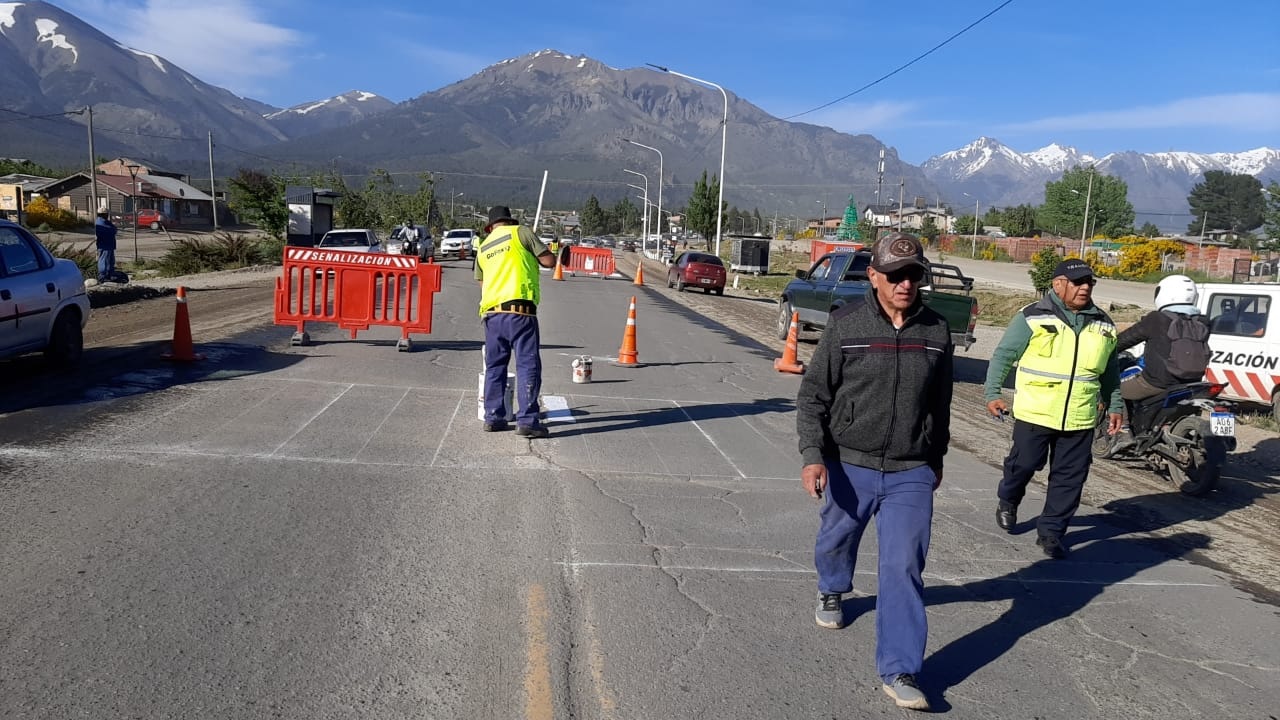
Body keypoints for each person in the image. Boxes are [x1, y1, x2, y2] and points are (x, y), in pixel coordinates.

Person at [796, 231, 954, 711]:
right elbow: (813, 397)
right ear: (874, 276)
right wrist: (812, 455)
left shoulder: (936, 331)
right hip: (849, 463)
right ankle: (832, 588)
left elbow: (940, 403)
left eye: (914, 275)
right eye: (895, 275)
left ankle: (900, 666)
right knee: (837, 538)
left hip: (911, 470)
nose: (906, 283)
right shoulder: (846, 326)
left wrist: (936, 457)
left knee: (903, 566)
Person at [984, 258, 1123, 560]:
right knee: (1024, 464)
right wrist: (992, 393)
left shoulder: (1103, 323)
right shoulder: (1032, 316)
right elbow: (1004, 355)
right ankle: (1009, 499)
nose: (1085, 287)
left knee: (1070, 478)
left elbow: (1110, 371)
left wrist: (1115, 404)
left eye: (1090, 283)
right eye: (1078, 282)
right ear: (1059, 284)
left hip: (1080, 416)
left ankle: (1052, 533)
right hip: (1035, 412)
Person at [474, 206, 556, 437]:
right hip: (521, 313)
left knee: (495, 367)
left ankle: (493, 417)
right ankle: (528, 420)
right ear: (509, 221)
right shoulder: (521, 232)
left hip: (492, 315)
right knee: (527, 365)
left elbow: (481, 282)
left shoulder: (484, 246)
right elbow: (548, 261)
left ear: (490, 226)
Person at [1111, 274, 1212, 447]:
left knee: (1115, 390)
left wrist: (1108, 349)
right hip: (1192, 383)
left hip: (1156, 382)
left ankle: (1124, 432)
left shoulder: (1157, 319)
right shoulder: (1203, 321)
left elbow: (1125, 340)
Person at [94, 212, 118, 283]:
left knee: (111, 261)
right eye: (106, 214)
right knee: (104, 261)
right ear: (103, 214)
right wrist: (112, 230)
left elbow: (114, 229)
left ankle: (110, 275)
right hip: (104, 245)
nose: (107, 215)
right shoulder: (100, 222)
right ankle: (102, 276)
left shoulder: (106, 222)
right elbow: (112, 230)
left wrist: (113, 229)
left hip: (109, 245)